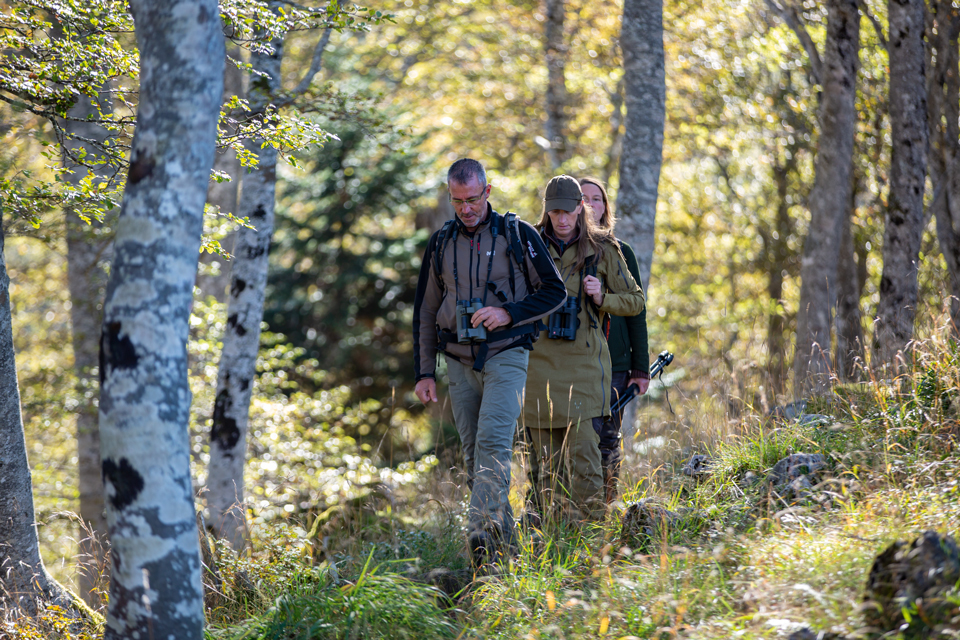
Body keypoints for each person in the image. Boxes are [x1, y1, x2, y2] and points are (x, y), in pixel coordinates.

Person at [413, 158, 566, 567]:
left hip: (507, 354)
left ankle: (479, 540)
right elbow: (426, 311)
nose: (466, 208)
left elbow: (555, 292)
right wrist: (425, 371)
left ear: (488, 191)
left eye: (473, 198)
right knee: (472, 457)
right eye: (457, 200)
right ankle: (508, 555)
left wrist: (508, 313)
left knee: (493, 446)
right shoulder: (441, 242)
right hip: (459, 362)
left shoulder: (518, 233)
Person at [522, 175, 645, 523]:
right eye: (555, 212)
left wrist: (602, 297)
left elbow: (636, 302)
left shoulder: (602, 248)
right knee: (544, 471)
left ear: (581, 209)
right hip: (538, 370)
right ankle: (549, 545)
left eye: (568, 211)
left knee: (586, 466)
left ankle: (591, 546)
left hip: (584, 371)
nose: (562, 220)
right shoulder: (528, 244)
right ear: (546, 211)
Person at [580, 177, 650, 504]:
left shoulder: (623, 253)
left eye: (598, 199)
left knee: (608, 440)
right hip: (574, 364)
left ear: (606, 207)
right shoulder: (556, 253)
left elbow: (637, 311)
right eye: (583, 198)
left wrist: (640, 368)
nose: (591, 204)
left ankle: (605, 511)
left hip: (617, 365)